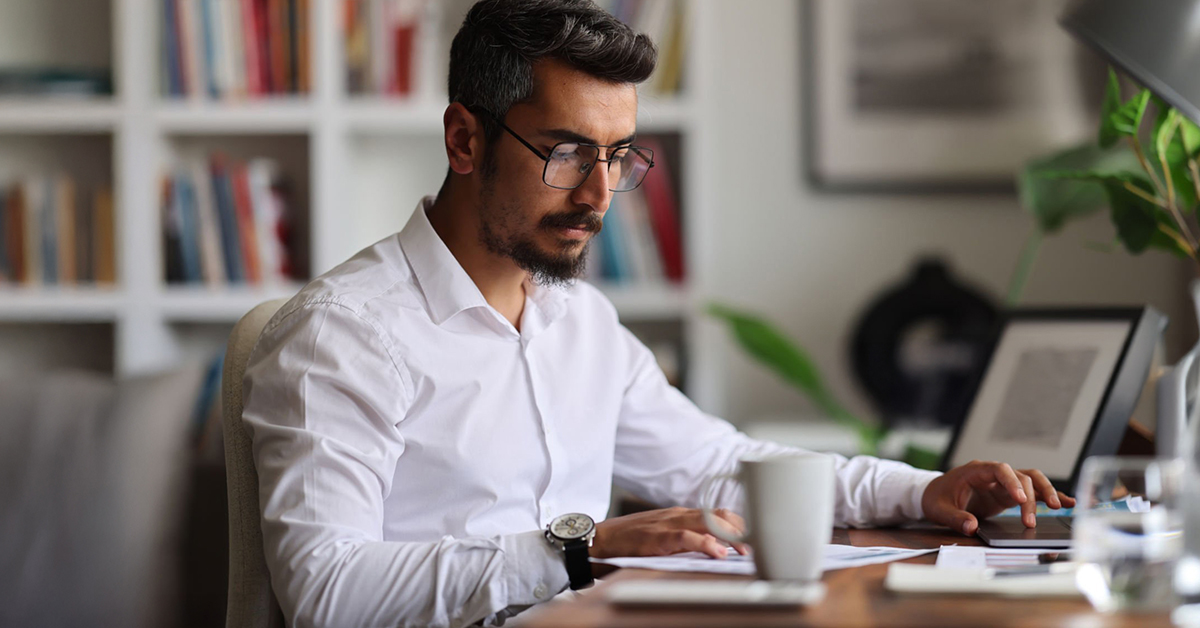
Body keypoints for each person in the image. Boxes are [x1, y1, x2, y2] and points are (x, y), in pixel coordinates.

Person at [241, 1, 1074, 626]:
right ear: (465, 141)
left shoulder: (581, 322)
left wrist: (924, 490)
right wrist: (577, 550)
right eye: (566, 153)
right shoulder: (343, 337)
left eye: (617, 156)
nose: (600, 195)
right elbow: (325, 588)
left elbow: (719, 466)